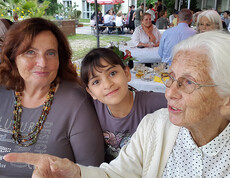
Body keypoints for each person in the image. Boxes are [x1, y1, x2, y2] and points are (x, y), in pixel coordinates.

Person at [5, 30, 230, 178]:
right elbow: (118, 173)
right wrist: (75, 172)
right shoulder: (156, 125)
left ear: (226, 100)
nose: (169, 92)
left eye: (188, 82)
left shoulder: (151, 108)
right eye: (170, 78)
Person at [0, 17, 104, 177]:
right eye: (30, 52)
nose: (42, 62)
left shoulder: (75, 101)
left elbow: (91, 171)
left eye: (50, 53)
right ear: (13, 57)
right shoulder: (2, 92)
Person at [80, 48, 167, 163]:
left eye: (112, 73)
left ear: (127, 73)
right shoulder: (90, 110)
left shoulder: (154, 103)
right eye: (96, 82)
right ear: (91, 92)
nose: (107, 84)